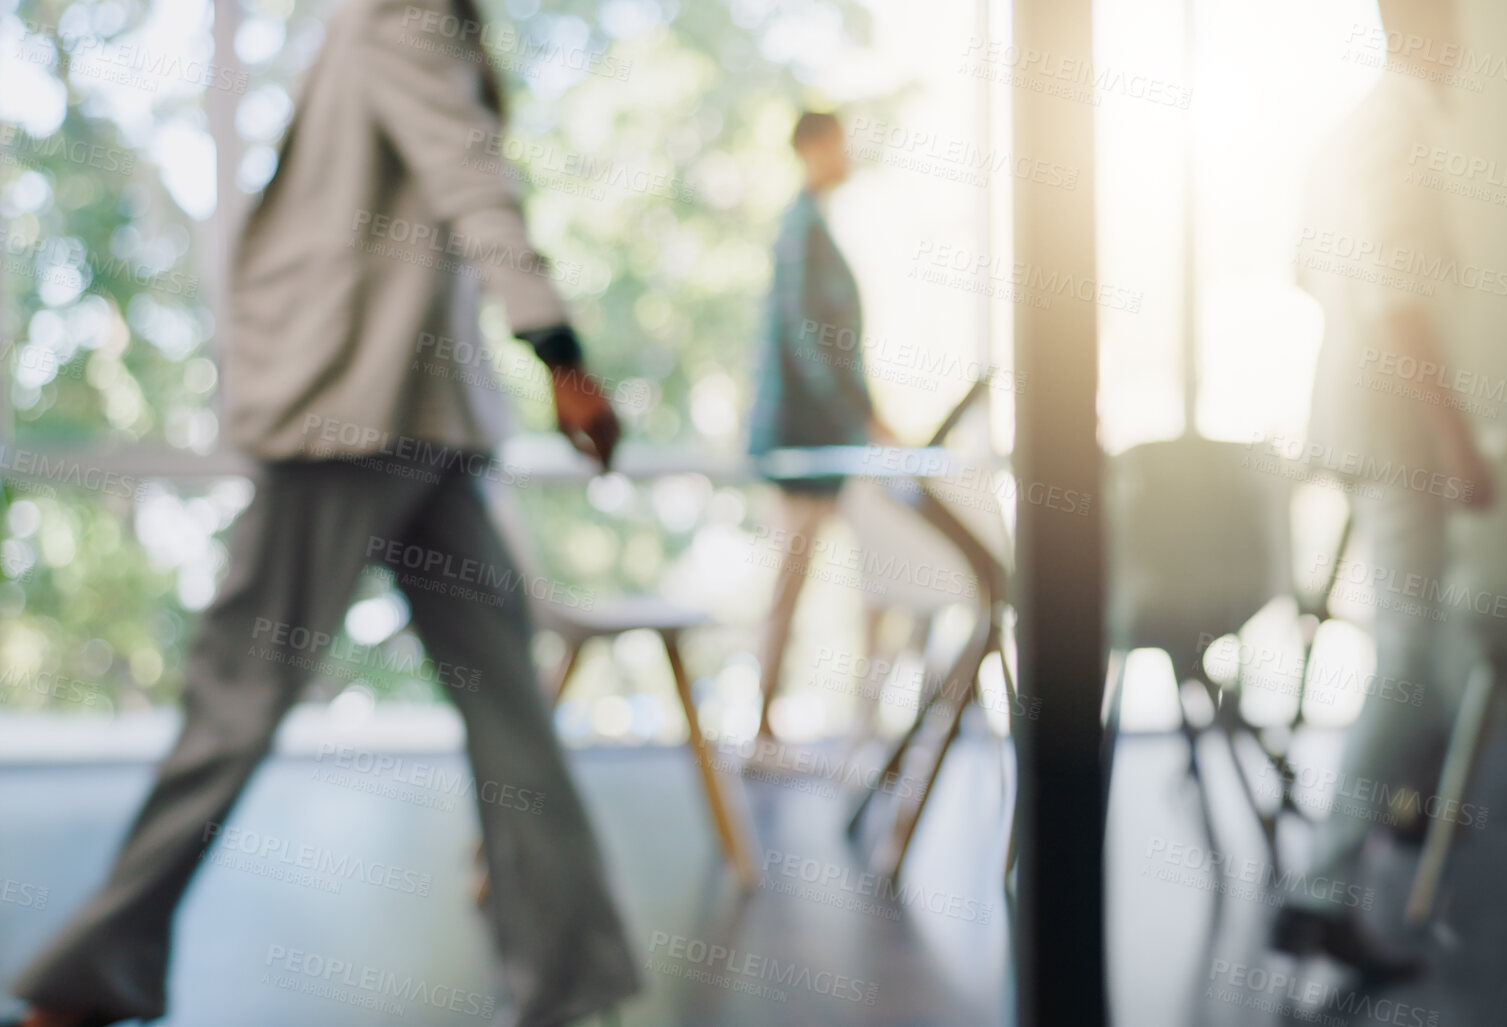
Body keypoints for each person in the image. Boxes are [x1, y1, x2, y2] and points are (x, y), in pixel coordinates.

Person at [5, 0, 639, 1023]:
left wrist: (558, 351)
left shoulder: (399, 12)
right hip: (408, 414)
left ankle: (92, 972)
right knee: (502, 704)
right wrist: (558, 352)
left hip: (361, 414)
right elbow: (461, 175)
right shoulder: (404, 14)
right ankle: (572, 984)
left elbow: (467, 176)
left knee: (241, 696)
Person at [1269, 0, 1495, 984]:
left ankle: (1413, 817)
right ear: (1431, 31)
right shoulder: (1397, 128)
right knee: (1406, 653)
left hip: (1353, 415)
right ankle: (1323, 890)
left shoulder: (1348, 130)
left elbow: (1307, 271)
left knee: (1416, 646)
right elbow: (1395, 301)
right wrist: (1457, 439)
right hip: (1396, 425)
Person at [747, 111, 895, 747]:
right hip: (807, 445)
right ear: (815, 148)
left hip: (833, 441)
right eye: (841, 142)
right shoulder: (800, 229)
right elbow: (812, 346)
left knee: (877, 575)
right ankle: (761, 728)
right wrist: (862, 418)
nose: (850, 153)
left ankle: (867, 721)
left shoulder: (815, 227)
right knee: (794, 582)